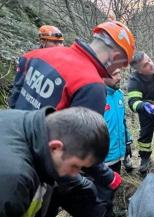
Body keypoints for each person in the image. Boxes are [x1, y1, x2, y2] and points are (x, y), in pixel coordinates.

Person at [8, 20, 136, 217]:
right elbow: (83, 143)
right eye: (121, 66)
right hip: (47, 168)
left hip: (13, 145)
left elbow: (14, 99)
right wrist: (109, 177)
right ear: (116, 56)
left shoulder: (37, 55)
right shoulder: (91, 84)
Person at [0, 107, 109, 217]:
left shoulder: (33, 126)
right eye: (75, 166)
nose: (75, 174)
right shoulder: (14, 184)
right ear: (55, 147)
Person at [127, 51, 154, 174]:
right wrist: (143, 105)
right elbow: (133, 102)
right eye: (145, 65)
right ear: (139, 71)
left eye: (150, 60)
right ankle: (145, 158)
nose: (151, 64)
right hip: (147, 108)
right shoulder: (134, 80)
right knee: (145, 134)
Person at [103, 68, 133, 216]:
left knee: (114, 187)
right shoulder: (97, 97)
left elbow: (123, 122)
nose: (120, 77)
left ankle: (115, 210)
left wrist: (128, 142)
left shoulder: (119, 95)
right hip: (102, 158)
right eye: (115, 74)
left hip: (117, 155)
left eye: (120, 73)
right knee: (101, 192)